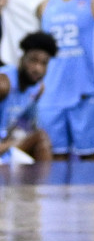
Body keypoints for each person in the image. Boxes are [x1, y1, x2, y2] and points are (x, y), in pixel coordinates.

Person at [35, 0, 94, 159]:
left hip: (86, 91)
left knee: (92, 157)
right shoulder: (44, 5)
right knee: (53, 159)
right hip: (51, 92)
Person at [0, 31, 57, 164]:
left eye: (44, 63)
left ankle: (41, 184)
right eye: (33, 60)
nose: (38, 68)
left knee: (40, 139)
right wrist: (6, 145)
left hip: (5, 149)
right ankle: (47, 185)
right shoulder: (3, 84)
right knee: (41, 138)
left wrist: (12, 139)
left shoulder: (37, 89)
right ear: (22, 59)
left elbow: (29, 124)